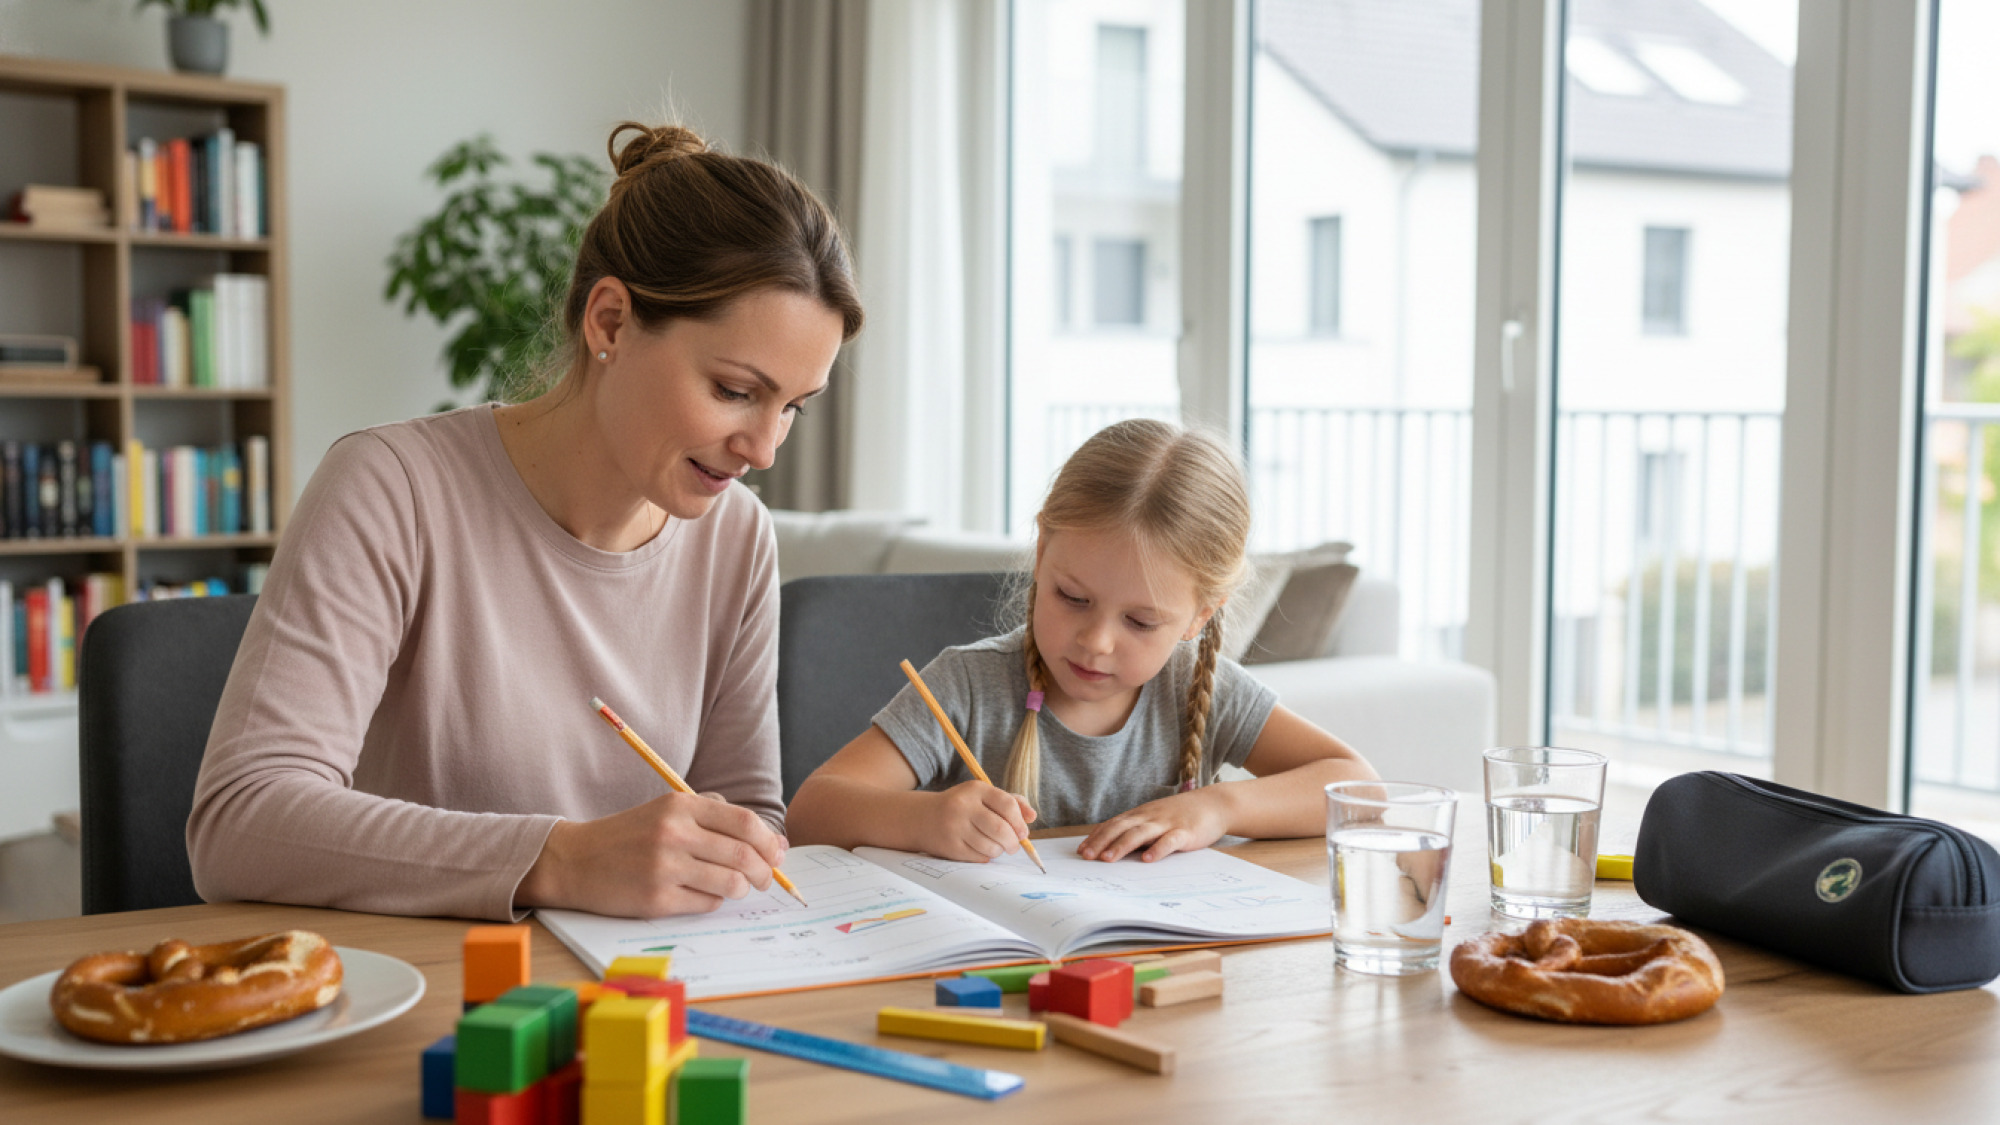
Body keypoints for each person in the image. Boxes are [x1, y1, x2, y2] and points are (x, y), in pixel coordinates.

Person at [187, 121, 863, 921]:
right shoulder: (392, 488)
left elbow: (745, 821)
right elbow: (239, 818)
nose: (763, 448)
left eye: (792, 408)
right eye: (734, 390)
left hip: (636, 998)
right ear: (609, 322)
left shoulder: (738, 537)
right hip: (428, 993)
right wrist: (559, 858)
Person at [785, 419, 1378, 864]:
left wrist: (1218, 808)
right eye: (1073, 598)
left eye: (1141, 623)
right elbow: (811, 812)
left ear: (1200, 616)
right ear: (1043, 552)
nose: (1096, 643)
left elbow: (1360, 789)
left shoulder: (1196, 686)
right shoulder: (967, 686)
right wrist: (924, 818)